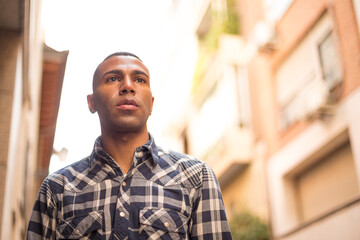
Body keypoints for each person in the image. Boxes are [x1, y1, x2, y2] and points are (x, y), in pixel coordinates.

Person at [27, 52, 232, 239]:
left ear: (151, 103)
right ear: (92, 102)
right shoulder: (57, 189)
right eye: (113, 78)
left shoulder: (196, 177)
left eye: (139, 79)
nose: (127, 86)